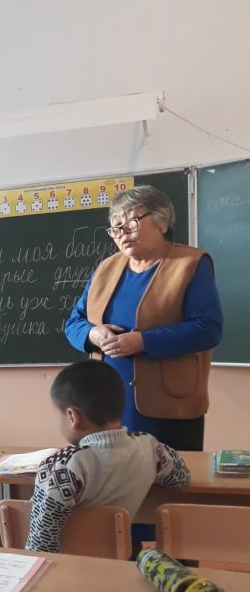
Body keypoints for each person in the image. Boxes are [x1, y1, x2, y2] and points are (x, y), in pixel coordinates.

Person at [64, 185, 223, 452]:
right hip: (106, 407)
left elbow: (208, 329)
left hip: (169, 408)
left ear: (162, 222)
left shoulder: (191, 264)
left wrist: (143, 341)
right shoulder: (106, 268)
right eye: (116, 227)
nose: (122, 233)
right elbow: (74, 323)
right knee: (112, 476)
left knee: (169, 476)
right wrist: (93, 334)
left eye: (131, 223)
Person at [25, 361, 190, 554]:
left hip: (69, 567)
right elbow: (181, 477)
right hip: (117, 560)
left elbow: (40, 544)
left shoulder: (62, 466)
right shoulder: (150, 447)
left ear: (72, 416)